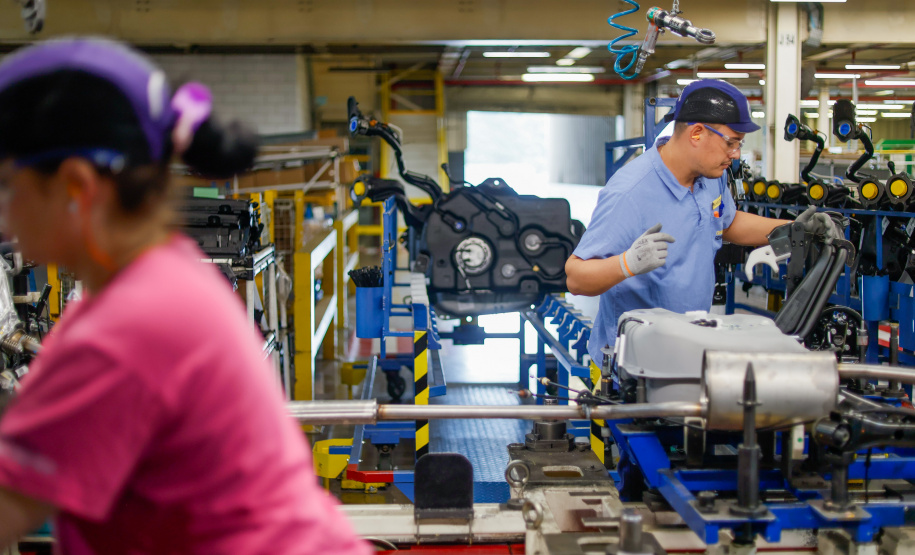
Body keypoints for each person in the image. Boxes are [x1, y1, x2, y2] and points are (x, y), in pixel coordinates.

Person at [0, 38, 371, 554]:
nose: (5, 212)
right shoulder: (163, 279)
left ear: (76, 187)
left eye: (8, 185)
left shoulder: (128, 328)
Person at [565, 79, 842, 366]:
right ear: (697, 133)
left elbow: (728, 223)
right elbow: (576, 277)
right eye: (731, 142)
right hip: (631, 364)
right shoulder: (630, 192)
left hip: (688, 347)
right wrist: (626, 264)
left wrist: (795, 228)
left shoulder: (711, 176)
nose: (735, 154)